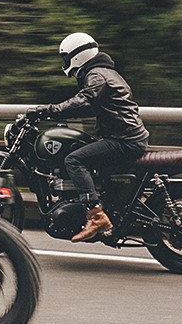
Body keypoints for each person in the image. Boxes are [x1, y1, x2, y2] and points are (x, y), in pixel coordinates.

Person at [28, 32, 149, 243]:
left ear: (77, 56)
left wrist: (47, 110)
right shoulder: (105, 72)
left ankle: (96, 215)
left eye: (65, 57)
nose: (64, 63)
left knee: (73, 160)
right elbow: (91, 106)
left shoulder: (96, 75)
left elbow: (84, 100)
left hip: (123, 140)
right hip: (127, 137)